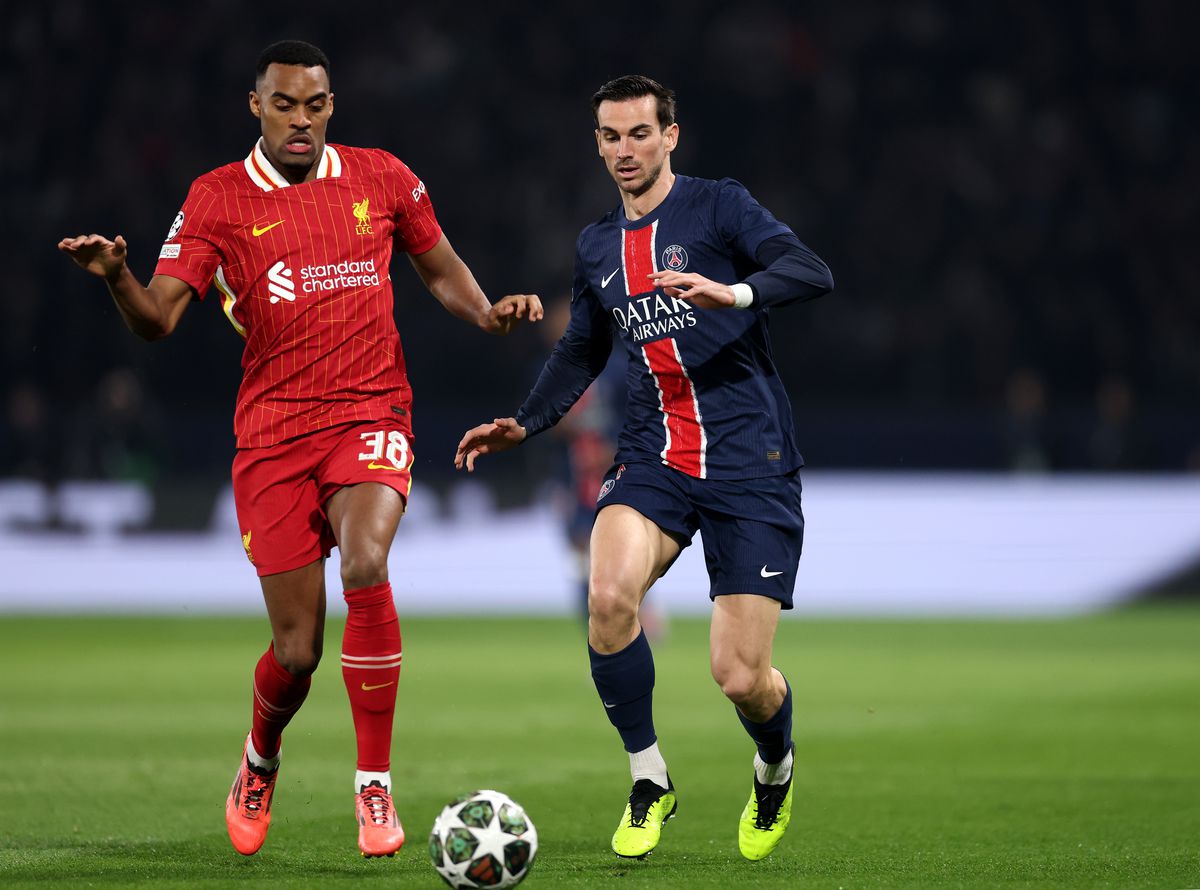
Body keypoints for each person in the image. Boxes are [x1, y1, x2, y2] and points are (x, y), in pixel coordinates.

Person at [58, 40, 541, 859]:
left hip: (371, 411)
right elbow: (158, 319)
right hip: (274, 435)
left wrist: (487, 312)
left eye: (314, 105)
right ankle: (259, 759)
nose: (300, 120)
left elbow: (439, 269)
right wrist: (116, 277)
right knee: (297, 652)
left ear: (331, 107)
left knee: (367, 563)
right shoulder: (216, 197)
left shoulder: (382, 177)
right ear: (257, 106)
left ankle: (374, 787)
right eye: (284, 104)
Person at [455, 74, 833, 862]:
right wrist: (526, 422)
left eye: (639, 133)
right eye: (611, 136)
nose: (625, 149)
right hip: (653, 455)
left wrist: (733, 293)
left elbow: (809, 271)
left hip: (750, 460)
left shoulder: (719, 207)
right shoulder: (597, 247)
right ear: (597, 143)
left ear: (670, 136)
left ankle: (774, 764)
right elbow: (581, 350)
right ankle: (649, 779)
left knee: (741, 678)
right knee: (606, 596)